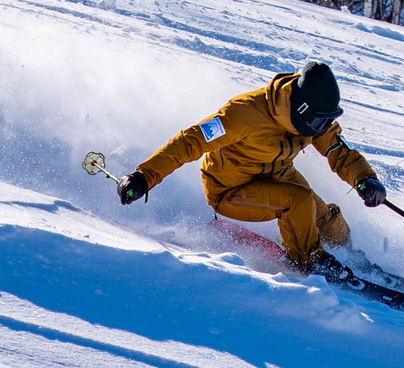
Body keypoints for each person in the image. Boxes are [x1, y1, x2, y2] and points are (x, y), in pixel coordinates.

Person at [115, 59, 387, 276]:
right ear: (301, 110)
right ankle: (311, 262)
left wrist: (364, 180)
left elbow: (337, 150)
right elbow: (191, 141)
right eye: (319, 123)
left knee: (324, 215)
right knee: (298, 201)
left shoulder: (314, 117)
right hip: (231, 188)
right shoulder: (243, 114)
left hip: (276, 173)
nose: (321, 129)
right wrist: (143, 176)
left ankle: (349, 257)